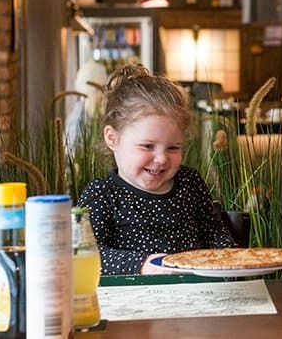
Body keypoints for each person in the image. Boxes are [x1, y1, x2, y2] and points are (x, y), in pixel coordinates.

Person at [80, 64, 234, 275]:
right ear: (112, 138)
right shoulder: (102, 194)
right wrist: (141, 264)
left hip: (194, 295)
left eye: (173, 147)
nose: (161, 159)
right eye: (147, 146)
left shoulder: (189, 182)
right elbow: (85, 255)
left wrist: (229, 259)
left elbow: (215, 235)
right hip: (131, 301)